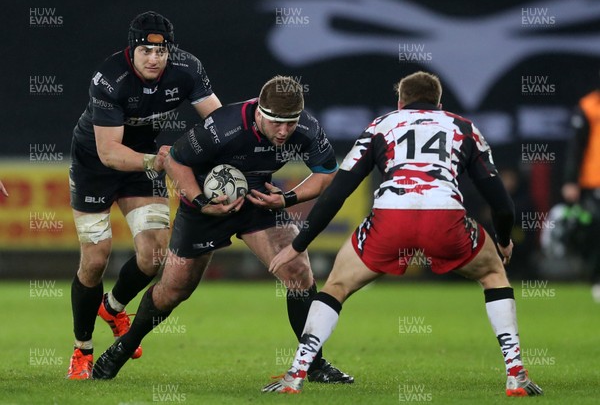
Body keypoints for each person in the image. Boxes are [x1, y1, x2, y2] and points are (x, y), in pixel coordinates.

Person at [262, 71, 543, 397]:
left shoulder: (382, 125)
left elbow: (336, 193)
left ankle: (297, 373)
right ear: (440, 104)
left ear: (400, 102)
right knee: (494, 274)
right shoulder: (464, 128)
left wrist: (300, 244)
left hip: (390, 221)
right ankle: (515, 373)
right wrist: (504, 240)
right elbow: (502, 203)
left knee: (336, 286)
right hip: (446, 221)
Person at [91, 75, 354, 384]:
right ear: (259, 111)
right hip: (204, 208)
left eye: (290, 123)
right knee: (174, 290)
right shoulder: (224, 125)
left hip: (258, 200)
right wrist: (202, 202)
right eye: (275, 122)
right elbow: (176, 160)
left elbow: (327, 173)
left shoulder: (307, 128)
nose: (283, 131)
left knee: (298, 272)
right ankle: (125, 345)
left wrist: (285, 198)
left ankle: (314, 364)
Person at [66, 11, 222, 380]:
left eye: (161, 51)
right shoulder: (109, 77)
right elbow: (109, 153)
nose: (154, 59)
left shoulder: (187, 68)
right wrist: (163, 161)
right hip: (96, 164)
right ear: (132, 49)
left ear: (171, 50)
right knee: (95, 258)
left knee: (154, 254)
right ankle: (82, 351)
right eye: (145, 51)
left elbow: (218, 121)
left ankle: (114, 307)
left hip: (144, 162)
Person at [562, 82, 600, 302]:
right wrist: (570, 180)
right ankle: (597, 277)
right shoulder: (589, 106)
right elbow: (575, 146)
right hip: (594, 180)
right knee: (594, 230)